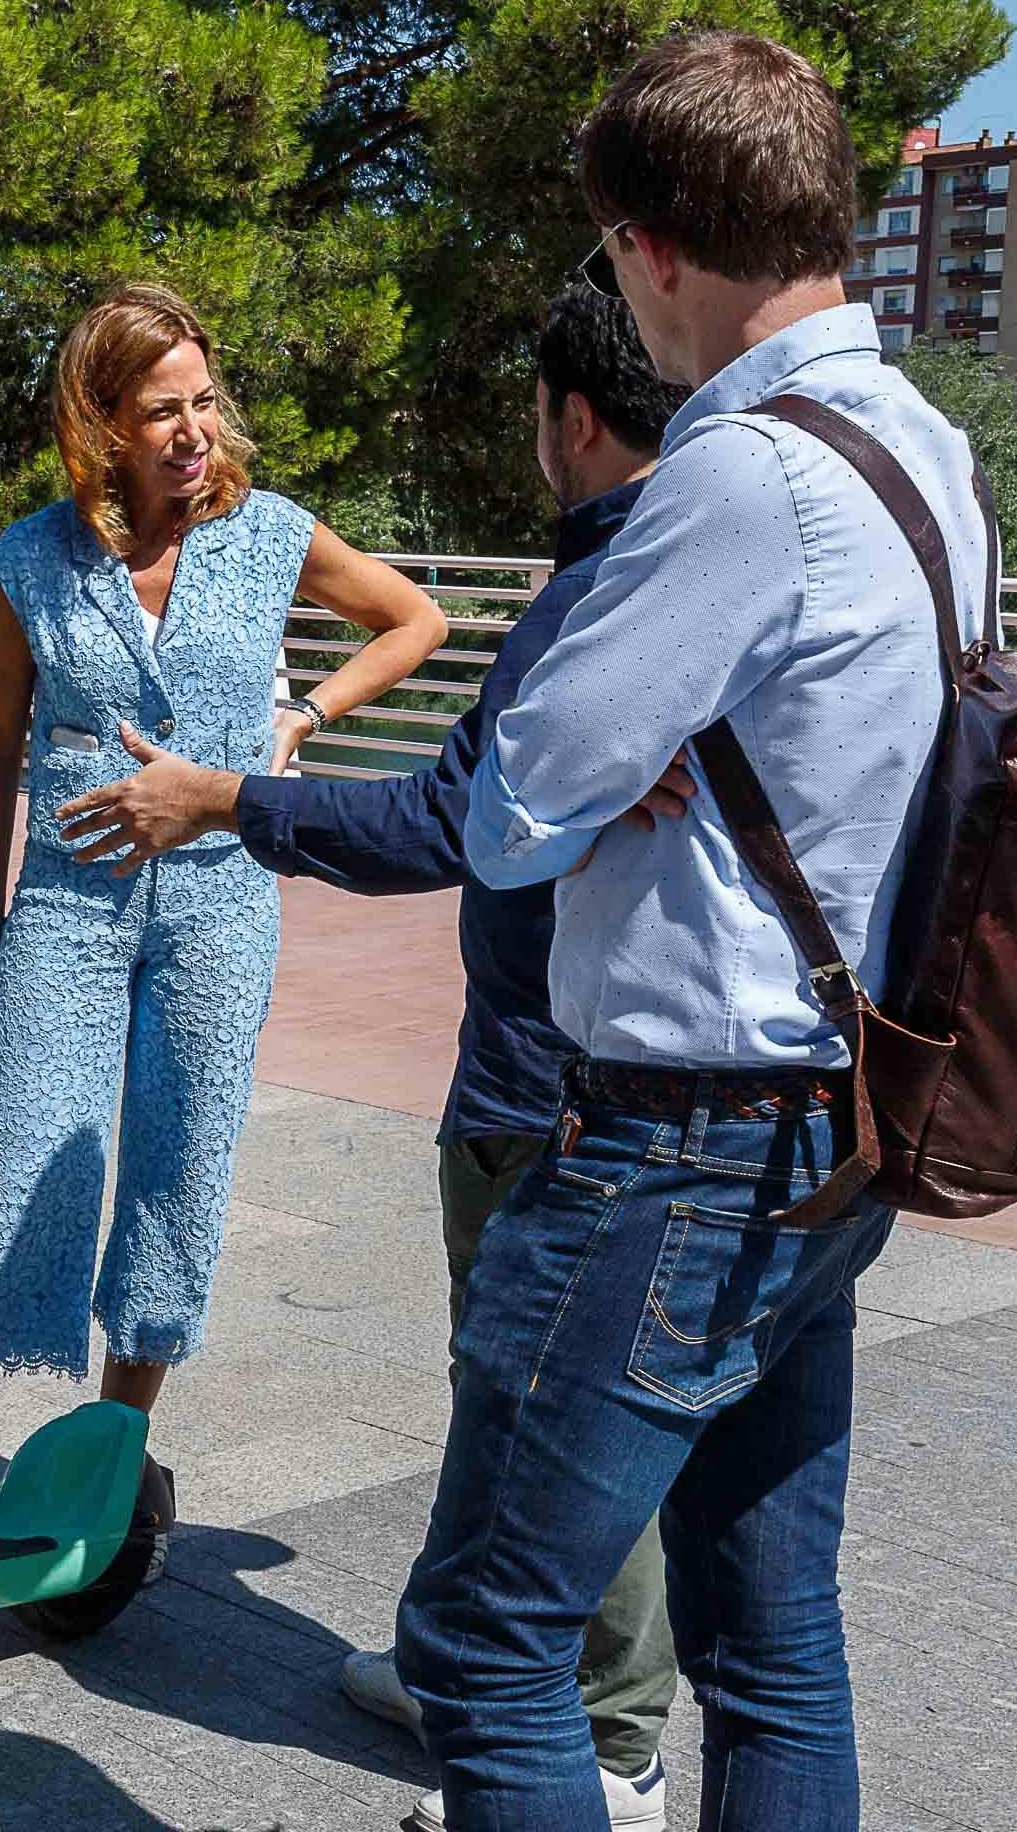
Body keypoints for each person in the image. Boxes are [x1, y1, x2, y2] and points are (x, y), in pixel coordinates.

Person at [393, 31, 990, 1832]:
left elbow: (509, 807)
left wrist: (601, 753)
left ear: (650, 250)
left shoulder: (740, 478)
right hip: (832, 1119)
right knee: (774, 1643)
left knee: (490, 1643)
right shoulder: (922, 447)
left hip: (675, 1148)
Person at [163, 284, 686, 1829]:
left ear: (570, 418)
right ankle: (459, 1662)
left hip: (565, 1087)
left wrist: (231, 801)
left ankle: (609, 1745)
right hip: (543, 1067)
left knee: (565, 1413)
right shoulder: (671, 566)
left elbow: (452, 821)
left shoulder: (608, 593)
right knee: (494, 1383)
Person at [0, 282, 445, 1512]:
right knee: (15, 1151)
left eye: (204, 401)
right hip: (67, 899)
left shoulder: (271, 533)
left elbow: (416, 620)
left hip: (222, 901)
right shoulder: (33, 558)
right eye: (161, 410)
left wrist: (304, 715)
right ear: (101, 422)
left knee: (179, 1163)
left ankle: (107, 1452)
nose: (195, 431)